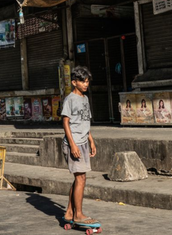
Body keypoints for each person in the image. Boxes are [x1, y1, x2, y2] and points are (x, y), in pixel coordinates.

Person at [61, 66, 98, 227]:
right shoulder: (70, 99)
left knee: (79, 178)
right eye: (82, 81)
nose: (85, 84)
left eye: (87, 81)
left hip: (83, 141)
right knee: (80, 178)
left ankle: (70, 211)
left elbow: (85, 121)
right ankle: (78, 215)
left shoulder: (85, 99)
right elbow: (65, 122)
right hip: (73, 143)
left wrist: (91, 140)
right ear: (74, 82)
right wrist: (73, 145)